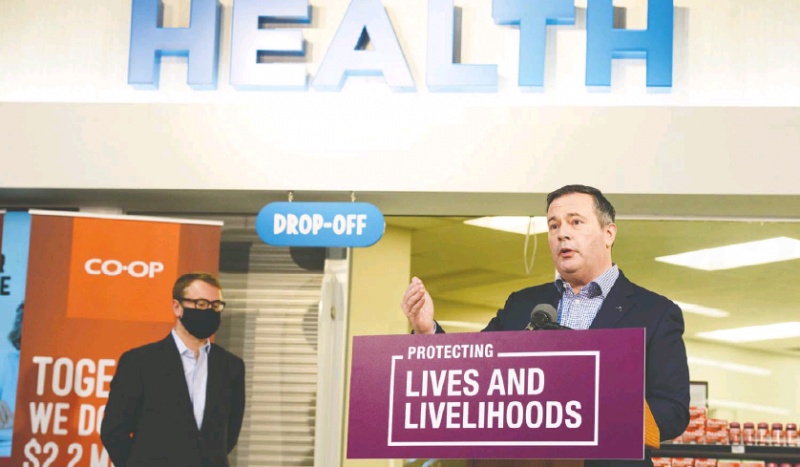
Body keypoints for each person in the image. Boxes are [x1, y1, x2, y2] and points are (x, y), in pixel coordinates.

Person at [401, 185, 690, 467]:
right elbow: (474, 375)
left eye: (575, 222)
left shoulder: (655, 313)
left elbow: (673, 411)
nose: (562, 233)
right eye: (553, 226)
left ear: (608, 234)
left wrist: (597, 411)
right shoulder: (521, 305)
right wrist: (427, 333)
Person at [101, 272, 246, 467]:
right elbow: (113, 431)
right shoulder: (140, 362)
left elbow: (229, 436)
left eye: (215, 305)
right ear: (177, 307)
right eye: (201, 304)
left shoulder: (231, 366)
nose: (209, 311)